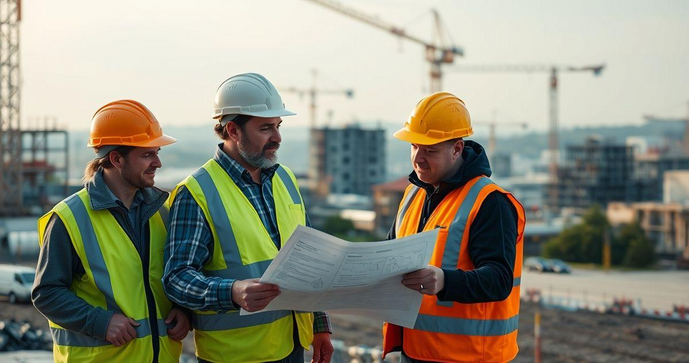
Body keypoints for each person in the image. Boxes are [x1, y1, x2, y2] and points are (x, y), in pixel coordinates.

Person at [163, 73, 334, 363]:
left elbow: (308, 261)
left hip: (292, 346)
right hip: (234, 355)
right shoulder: (197, 192)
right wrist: (232, 292)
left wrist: (320, 326)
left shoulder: (286, 179)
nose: (277, 138)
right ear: (233, 130)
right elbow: (177, 279)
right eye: (266, 128)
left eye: (278, 126)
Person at [33, 100, 190, 362]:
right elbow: (46, 293)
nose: (158, 163)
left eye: (157, 152)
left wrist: (182, 310)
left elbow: (168, 277)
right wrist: (99, 321)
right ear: (116, 159)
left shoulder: (162, 211)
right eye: (147, 154)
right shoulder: (70, 218)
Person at [382, 92, 526, 363]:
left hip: (469, 357)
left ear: (457, 149)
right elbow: (390, 256)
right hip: (415, 351)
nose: (418, 158)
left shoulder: (489, 202)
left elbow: (499, 279)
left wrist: (445, 281)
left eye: (430, 150)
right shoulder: (413, 194)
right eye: (414, 146)